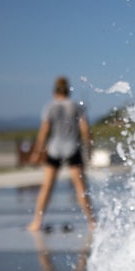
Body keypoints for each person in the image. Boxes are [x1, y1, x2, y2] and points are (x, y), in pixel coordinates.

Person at [26, 76, 96, 232]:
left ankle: (37, 221)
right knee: (80, 188)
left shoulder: (50, 107)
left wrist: (37, 152)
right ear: (68, 90)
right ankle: (92, 221)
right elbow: (85, 130)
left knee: (46, 187)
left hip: (55, 149)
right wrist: (90, 149)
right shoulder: (76, 106)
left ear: (54, 90)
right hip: (72, 148)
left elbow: (44, 131)